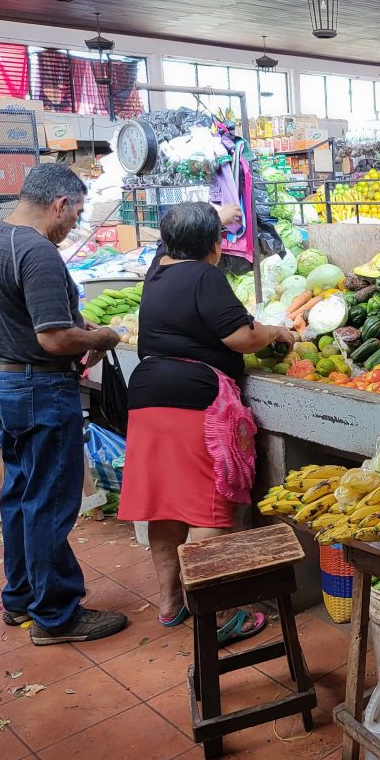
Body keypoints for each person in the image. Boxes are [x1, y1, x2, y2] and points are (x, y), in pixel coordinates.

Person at [0, 164, 129, 645]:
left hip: (5, 381)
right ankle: (56, 615)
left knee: (19, 494)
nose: (73, 225)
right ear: (59, 204)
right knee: (48, 504)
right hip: (39, 389)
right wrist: (101, 335)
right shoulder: (37, 251)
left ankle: (20, 599)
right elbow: (55, 337)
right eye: (75, 214)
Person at [118, 202, 295, 641]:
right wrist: (273, 331)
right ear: (215, 246)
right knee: (208, 508)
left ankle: (171, 602)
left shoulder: (158, 272)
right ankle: (219, 614)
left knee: (165, 505)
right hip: (192, 399)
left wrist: (221, 214)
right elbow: (241, 337)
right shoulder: (205, 275)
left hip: (147, 395)